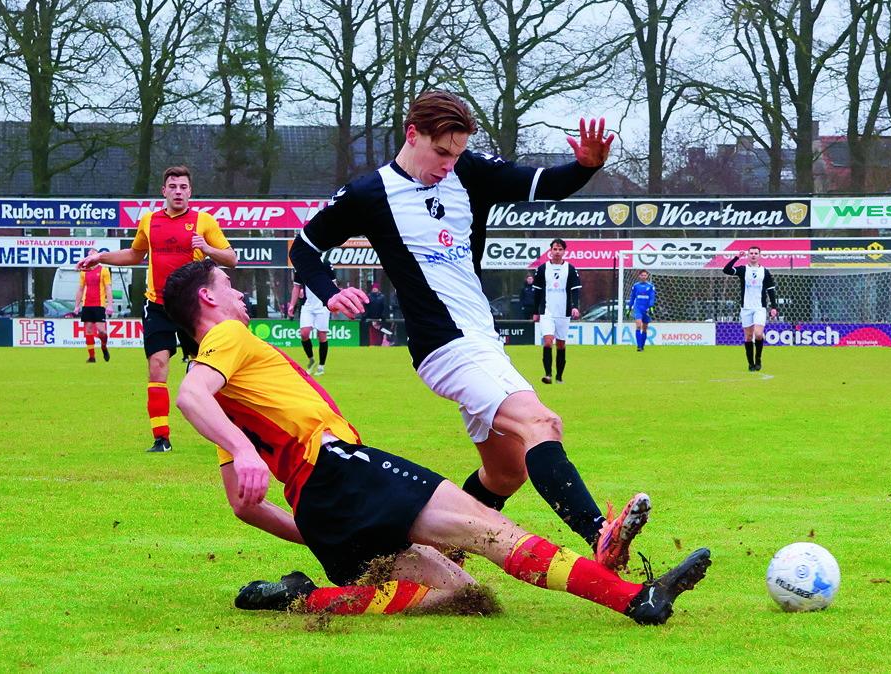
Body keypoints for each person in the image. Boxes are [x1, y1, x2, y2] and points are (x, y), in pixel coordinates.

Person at [163, 259, 711, 622]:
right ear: (208, 300)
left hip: (321, 508)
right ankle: (640, 600)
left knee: (463, 595)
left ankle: (307, 596)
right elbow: (188, 396)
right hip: (341, 470)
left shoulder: (224, 398)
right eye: (229, 285)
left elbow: (243, 506)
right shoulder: (226, 339)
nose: (238, 293)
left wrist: (315, 534)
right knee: (496, 533)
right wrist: (241, 449)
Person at [289, 90, 649, 573]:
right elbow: (305, 246)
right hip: (443, 344)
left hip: (481, 340)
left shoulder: (470, 174)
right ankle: (599, 536)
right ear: (411, 134)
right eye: (441, 153)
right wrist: (329, 290)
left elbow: (546, 185)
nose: (448, 165)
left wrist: (584, 166)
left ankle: (433, 561)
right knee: (541, 425)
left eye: (456, 154)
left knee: (506, 471)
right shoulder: (369, 193)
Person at [77, 166, 237, 452]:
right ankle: (161, 438)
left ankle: (233, 429)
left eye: (183, 187)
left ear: (190, 191)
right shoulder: (149, 221)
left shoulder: (204, 221)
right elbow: (135, 254)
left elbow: (231, 259)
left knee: (212, 368)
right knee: (157, 366)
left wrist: (209, 249)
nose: (178, 191)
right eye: (172, 186)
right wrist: (101, 257)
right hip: (158, 305)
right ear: (164, 191)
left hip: (194, 308)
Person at [532, 239, 580, 384]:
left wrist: (575, 306)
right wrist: (535, 311)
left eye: (560, 249)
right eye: (555, 249)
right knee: (548, 341)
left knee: (561, 344)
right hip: (547, 312)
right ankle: (548, 375)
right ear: (550, 251)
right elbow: (537, 291)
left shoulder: (570, 269)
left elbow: (575, 289)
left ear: (564, 251)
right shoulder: (542, 269)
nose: (557, 252)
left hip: (563, 312)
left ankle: (559, 377)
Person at [722, 246, 778, 372]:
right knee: (748, 337)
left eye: (755, 253)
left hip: (759, 308)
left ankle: (758, 358)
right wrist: (737, 257)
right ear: (748, 255)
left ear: (759, 255)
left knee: (758, 334)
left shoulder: (765, 271)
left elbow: (770, 290)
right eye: (751, 253)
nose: (753, 255)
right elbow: (726, 270)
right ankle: (750, 363)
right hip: (746, 308)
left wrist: (774, 307)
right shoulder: (743, 270)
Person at [287, 260, 335, 375]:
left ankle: (321, 366)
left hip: (323, 305)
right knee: (304, 333)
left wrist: (335, 304)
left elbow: (334, 284)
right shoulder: (301, 264)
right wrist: (292, 305)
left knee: (322, 335)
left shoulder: (326, 263)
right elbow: (296, 287)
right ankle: (311, 359)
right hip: (308, 306)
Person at [75, 248, 113, 363]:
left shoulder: (104, 271)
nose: (90, 256)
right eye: (89, 255)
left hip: (99, 304)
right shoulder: (84, 272)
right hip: (87, 304)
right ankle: (92, 357)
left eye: (93, 254)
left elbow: (108, 288)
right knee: (89, 330)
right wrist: (77, 305)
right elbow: (81, 289)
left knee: (102, 331)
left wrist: (109, 305)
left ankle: (104, 346)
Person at [626, 270, 656, 352]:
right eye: (642, 275)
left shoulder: (650, 286)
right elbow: (632, 297)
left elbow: (652, 298)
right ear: (639, 276)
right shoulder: (635, 286)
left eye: (645, 275)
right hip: (638, 308)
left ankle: (642, 345)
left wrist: (651, 307)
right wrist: (629, 308)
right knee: (638, 325)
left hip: (646, 309)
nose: (643, 276)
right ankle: (639, 346)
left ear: (647, 276)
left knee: (645, 328)